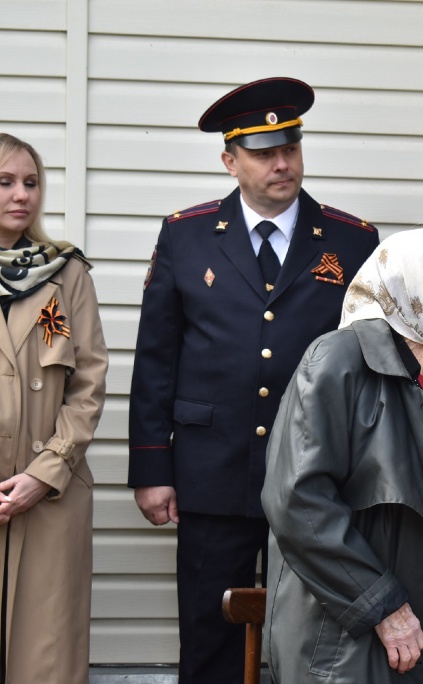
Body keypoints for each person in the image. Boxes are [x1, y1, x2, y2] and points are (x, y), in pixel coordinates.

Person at [127, 77, 379, 683]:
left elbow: (369, 365)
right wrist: (153, 470)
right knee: (211, 632)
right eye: (264, 152)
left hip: (319, 474)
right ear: (229, 160)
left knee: (317, 635)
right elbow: (156, 359)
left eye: (290, 147)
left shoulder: (351, 240)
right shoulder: (185, 236)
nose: (282, 163)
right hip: (211, 470)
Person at [261, 223, 423, 683]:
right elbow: (298, 501)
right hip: (356, 637)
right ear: (409, 283)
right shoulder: (339, 361)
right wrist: (381, 605)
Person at [0, 133, 108, 683]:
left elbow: (87, 381)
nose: (22, 195)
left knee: (43, 660)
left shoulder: (63, 276)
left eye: (32, 182)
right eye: (5, 182)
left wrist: (45, 474)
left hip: (49, 495)